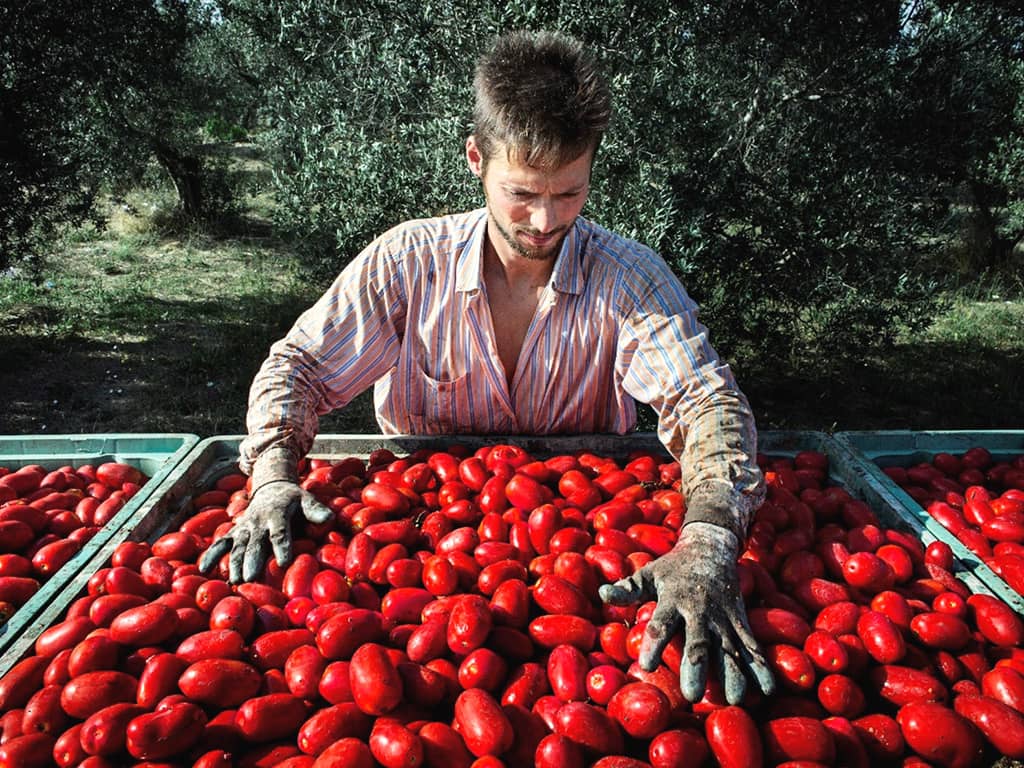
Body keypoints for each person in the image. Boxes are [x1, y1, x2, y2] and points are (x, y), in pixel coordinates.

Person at [199, 29, 774, 705]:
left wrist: (707, 533)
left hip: (583, 561)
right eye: (522, 193)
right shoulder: (406, 266)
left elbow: (706, 400)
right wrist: (271, 476)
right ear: (476, 158)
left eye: (569, 194)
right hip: (416, 538)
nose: (544, 219)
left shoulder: (630, 281)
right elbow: (297, 367)